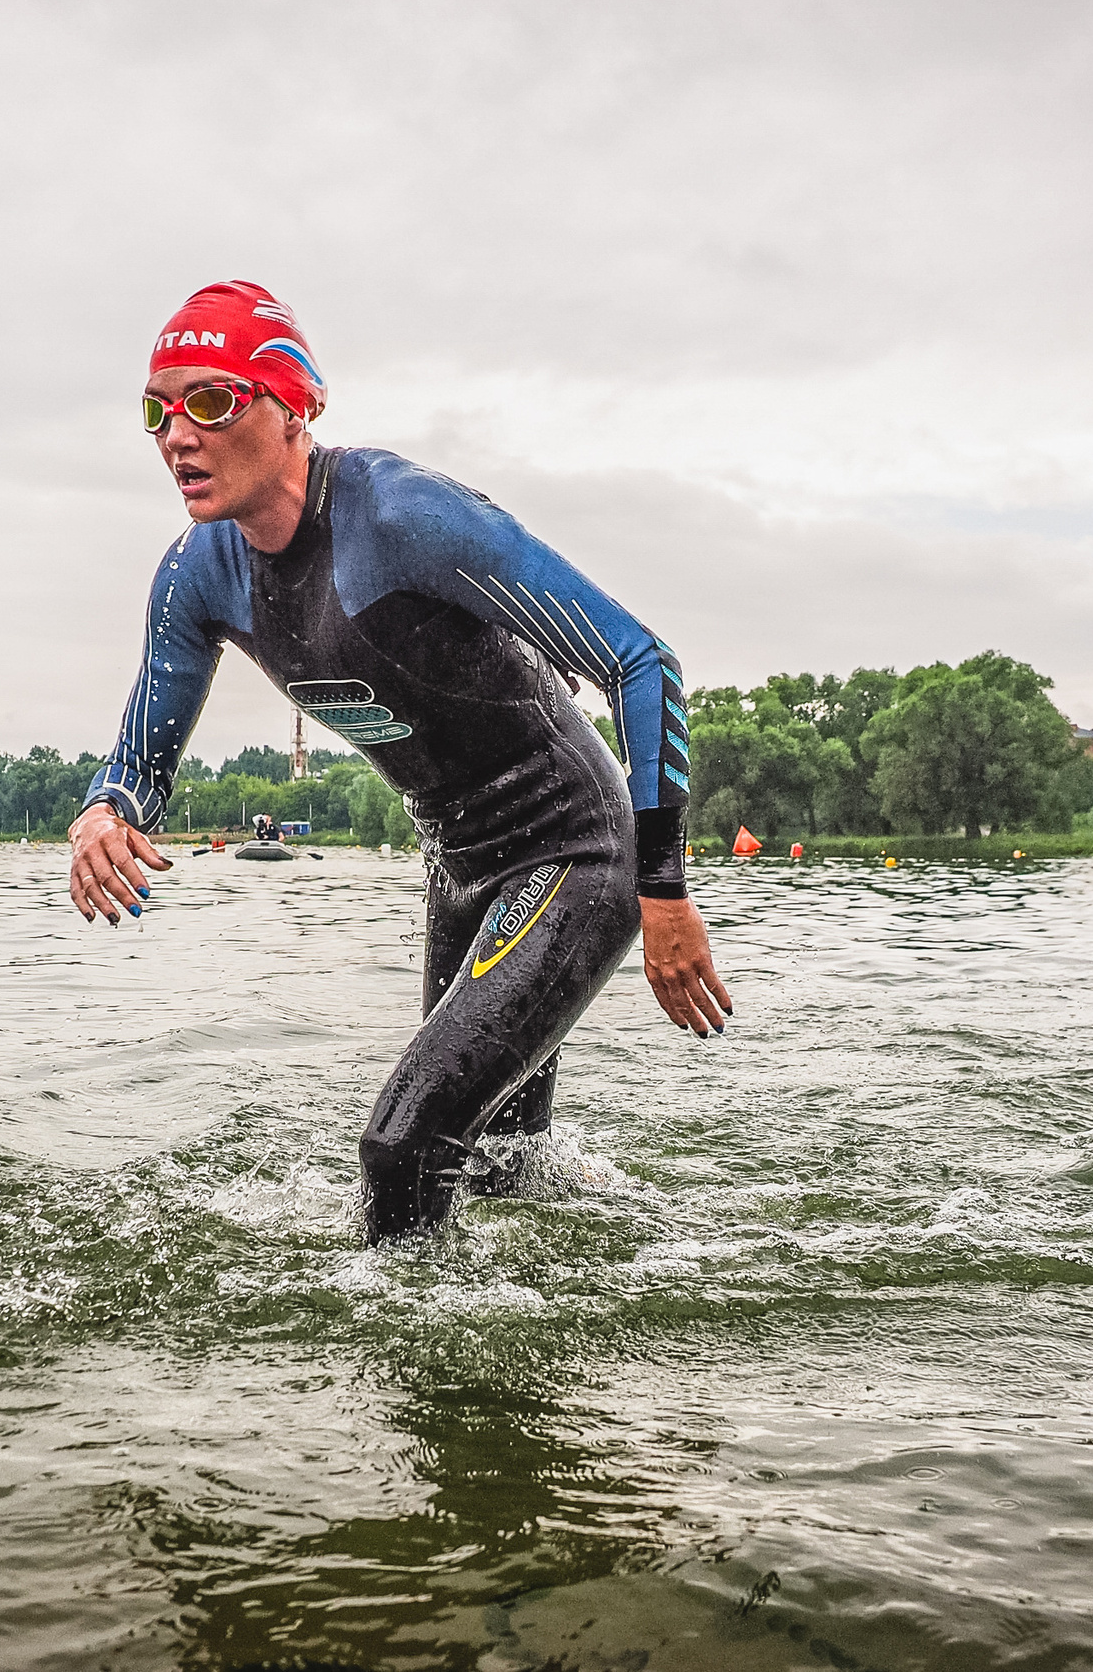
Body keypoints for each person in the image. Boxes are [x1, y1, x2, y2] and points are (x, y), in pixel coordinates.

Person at [67, 281, 731, 1241]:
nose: (178, 435)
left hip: (576, 854)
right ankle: (647, 1259)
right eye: (157, 411)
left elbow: (640, 660)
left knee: (402, 1148)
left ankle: (390, 1330)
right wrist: (106, 810)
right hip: (458, 868)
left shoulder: (402, 517)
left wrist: (663, 888)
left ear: (293, 409)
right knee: (498, 1165)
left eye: (210, 401)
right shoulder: (196, 573)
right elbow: (141, 758)